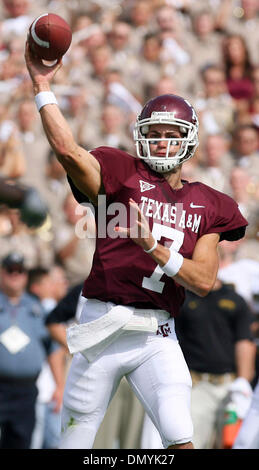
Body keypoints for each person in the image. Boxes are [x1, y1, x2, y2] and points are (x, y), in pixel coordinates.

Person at [25, 43, 248, 450]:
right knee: (73, 445)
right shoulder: (120, 170)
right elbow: (68, 151)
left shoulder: (212, 202)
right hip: (100, 328)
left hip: (157, 336)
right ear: (140, 137)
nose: (162, 143)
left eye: (172, 134)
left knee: (181, 435)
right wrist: (42, 86)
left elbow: (203, 280)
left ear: (190, 140)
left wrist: (154, 248)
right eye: (155, 134)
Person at [0, 252, 60, 449]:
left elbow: (53, 348)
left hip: (26, 391)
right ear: (2, 273)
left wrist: (60, 385)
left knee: (21, 441)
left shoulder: (37, 307)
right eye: (10, 270)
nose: (15, 275)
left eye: (20, 271)